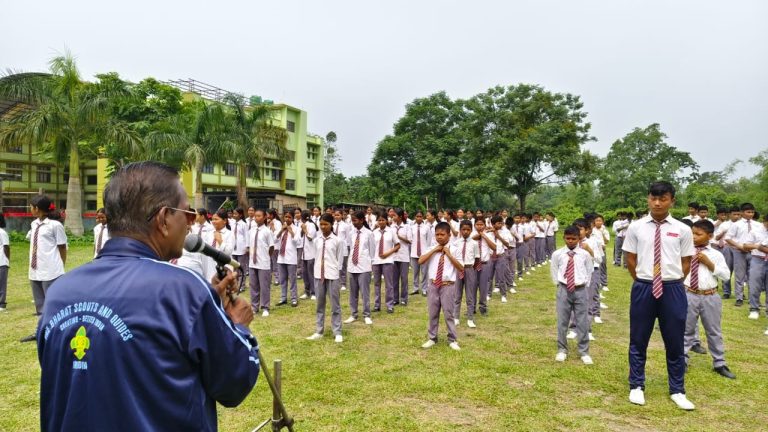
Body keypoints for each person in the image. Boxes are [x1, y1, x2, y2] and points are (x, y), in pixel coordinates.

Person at [37, 161, 258, 431]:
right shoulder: (185, 289)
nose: (191, 222)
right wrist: (238, 327)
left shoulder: (61, 291)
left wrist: (205, 304)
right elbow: (232, 385)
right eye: (186, 212)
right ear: (164, 218)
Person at [623, 181, 695, 410]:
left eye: (662, 199)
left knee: (674, 340)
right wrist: (645, 280)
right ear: (648, 198)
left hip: (672, 288)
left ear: (672, 200)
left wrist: (670, 281)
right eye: (653, 198)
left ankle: (677, 390)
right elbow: (631, 260)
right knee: (638, 338)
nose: (657, 203)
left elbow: (686, 262)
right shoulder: (636, 227)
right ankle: (636, 385)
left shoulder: (682, 229)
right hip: (644, 286)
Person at [683, 220, 735, 379]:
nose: (694, 237)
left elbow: (726, 276)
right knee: (686, 329)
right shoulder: (684, 250)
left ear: (710, 236)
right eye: (692, 233)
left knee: (714, 331)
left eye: (698, 234)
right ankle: (682, 359)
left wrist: (709, 263)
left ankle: (719, 362)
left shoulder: (716, 254)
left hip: (710, 296)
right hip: (688, 294)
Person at [20, 195, 68, 343]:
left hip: (51, 270)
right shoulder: (34, 224)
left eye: (31, 206)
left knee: (53, 303)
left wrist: (60, 265)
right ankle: (40, 331)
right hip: (35, 270)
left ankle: (58, 332)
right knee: (40, 305)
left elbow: (62, 247)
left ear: (37, 208)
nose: (30, 209)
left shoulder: (55, 225)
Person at [551, 225, 594, 364]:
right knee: (563, 321)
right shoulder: (558, 254)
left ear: (578, 238)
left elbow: (589, 270)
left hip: (580, 290)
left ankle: (584, 351)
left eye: (573, 238)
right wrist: (559, 284)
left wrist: (584, 285)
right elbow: (554, 269)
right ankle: (562, 349)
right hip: (564, 289)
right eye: (568, 238)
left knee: (582, 321)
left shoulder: (584, 254)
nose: (570, 241)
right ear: (563, 238)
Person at [419, 221, 464, 351]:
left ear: (449, 235)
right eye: (437, 234)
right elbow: (421, 260)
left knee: (448, 313)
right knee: (433, 312)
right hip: (433, 285)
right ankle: (432, 338)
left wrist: (449, 254)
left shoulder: (455, 249)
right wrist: (434, 250)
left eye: (442, 234)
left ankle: (452, 339)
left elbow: (461, 267)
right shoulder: (431, 248)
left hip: (448, 286)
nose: (439, 237)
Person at [307, 213, 346, 343]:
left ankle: (337, 331)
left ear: (331, 224)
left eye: (326, 224)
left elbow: (340, 260)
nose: (323, 227)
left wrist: (335, 272)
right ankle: (319, 330)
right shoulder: (317, 240)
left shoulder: (338, 241)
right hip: (319, 275)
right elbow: (316, 256)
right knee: (319, 304)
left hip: (332, 275)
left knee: (335, 304)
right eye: (321, 224)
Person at [344, 211, 375, 325]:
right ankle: (353, 314)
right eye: (352, 220)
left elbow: (372, 251)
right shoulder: (351, 233)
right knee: (353, 292)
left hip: (364, 267)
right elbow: (351, 248)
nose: (353, 223)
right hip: (352, 266)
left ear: (362, 220)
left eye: (355, 220)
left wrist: (371, 266)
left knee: (364, 292)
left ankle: (366, 314)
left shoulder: (369, 233)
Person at [725, 203, 757, 307]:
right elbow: (728, 238)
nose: (751, 214)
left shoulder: (757, 225)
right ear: (742, 212)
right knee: (740, 276)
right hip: (739, 252)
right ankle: (739, 298)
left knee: (752, 276)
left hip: (753, 252)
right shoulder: (736, 224)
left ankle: (753, 299)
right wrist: (739, 246)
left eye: (752, 212)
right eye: (748, 212)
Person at [453, 220, 479, 328]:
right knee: (457, 295)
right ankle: (456, 317)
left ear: (471, 230)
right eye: (463, 229)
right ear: (460, 230)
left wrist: (471, 269)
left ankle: (470, 318)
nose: (465, 232)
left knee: (470, 295)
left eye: (468, 230)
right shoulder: (456, 243)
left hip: (469, 269)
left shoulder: (474, 243)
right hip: (458, 269)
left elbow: (477, 259)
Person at [248, 209, 275, 317]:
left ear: (264, 218)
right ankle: (254, 307)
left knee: (264, 286)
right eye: (255, 216)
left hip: (263, 263)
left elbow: (271, 247)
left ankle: (265, 307)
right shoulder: (252, 230)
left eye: (259, 216)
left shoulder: (267, 231)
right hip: (252, 262)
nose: (256, 218)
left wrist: (266, 257)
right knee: (253, 285)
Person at [371, 212, 399, 313]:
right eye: (379, 220)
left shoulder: (391, 231)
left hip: (388, 260)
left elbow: (397, 245)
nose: (381, 222)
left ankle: (390, 305)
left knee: (389, 284)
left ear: (386, 221)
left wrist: (388, 253)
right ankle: (377, 305)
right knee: (376, 284)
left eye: (383, 220)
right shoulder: (374, 233)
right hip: (376, 261)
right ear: (377, 221)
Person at [743, 214, 768, 319]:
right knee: (754, 285)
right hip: (758, 259)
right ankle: (754, 309)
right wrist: (757, 246)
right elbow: (745, 246)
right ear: (764, 221)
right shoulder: (755, 231)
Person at [276, 211, 301, 307]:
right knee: (282, 279)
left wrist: (291, 231)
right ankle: (283, 298)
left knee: (292, 279)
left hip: (291, 258)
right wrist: (281, 230)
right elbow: (275, 239)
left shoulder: (296, 229)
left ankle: (294, 298)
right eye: (285, 216)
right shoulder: (281, 228)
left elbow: (297, 242)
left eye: (289, 217)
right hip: (281, 258)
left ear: (293, 218)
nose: (287, 219)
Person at [201, 209, 235, 283]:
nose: (213, 221)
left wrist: (220, 241)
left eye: (216, 219)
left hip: (222, 269)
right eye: (212, 219)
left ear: (224, 221)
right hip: (208, 267)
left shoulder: (229, 234)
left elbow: (228, 252)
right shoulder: (209, 233)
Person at [391, 209, 412, 305]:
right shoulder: (391, 227)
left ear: (399, 217)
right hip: (394, 256)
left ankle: (404, 298)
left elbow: (409, 240)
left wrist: (398, 236)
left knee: (404, 279)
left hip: (404, 256)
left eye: (394, 215)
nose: (393, 217)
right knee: (394, 279)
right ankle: (395, 299)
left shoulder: (407, 227)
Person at [409, 210, 431, 296]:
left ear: (423, 217)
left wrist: (427, 252)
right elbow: (410, 240)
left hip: (423, 253)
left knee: (424, 272)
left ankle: (425, 289)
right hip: (414, 253)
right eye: (417, 216)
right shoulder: (412, 228)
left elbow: (428, 241)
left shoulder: (426, 228)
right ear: (415, 217)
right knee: (415, 272)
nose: (419, 218)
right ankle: (415, 288)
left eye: (420, 216)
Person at [299, 210, 318, 300]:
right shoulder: (303, 225)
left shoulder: (311, 225)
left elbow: (310, 238)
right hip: (304, 254)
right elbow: (300, 238)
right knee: (305, 273)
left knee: (311, 274)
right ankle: (307, 292)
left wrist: (305, 230)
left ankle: (314, 292)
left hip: (311, 254)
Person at [231, 208, 249, 291]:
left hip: (241, 248)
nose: (234, 215)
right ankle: (235, 284)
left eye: (236, 214)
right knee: (234, 268)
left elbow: (247, 236)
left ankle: (242, 285)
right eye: (233, 214)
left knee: (241, 267)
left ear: (240, 215)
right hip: (233, 248)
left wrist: (247, 247)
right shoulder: (232, 223)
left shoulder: (244, 224)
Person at [0, 215, 8, 312]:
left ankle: (2, 304)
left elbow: (6, 247)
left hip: (2, 261)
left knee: (1, 283)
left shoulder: (2, 232)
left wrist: (7, 259)